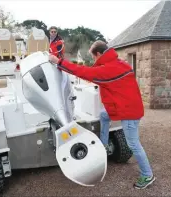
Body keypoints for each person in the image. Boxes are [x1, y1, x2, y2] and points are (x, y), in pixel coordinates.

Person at [48, 40, 155, 189]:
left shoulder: (109, 69)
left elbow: (83, 72)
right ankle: (103, 145)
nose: (93, 60)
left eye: (93, 57)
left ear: (98, 54)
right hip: (126, 106)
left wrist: (58, 61)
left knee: (134, 144)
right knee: (104, 116)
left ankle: (147, 174)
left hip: (129, 112)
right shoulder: (119, 63)